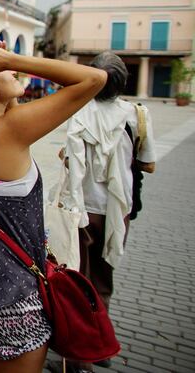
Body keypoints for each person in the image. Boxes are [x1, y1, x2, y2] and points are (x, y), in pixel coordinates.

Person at [0, 41, 106, 372]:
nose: (12, 69)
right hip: (10, 298)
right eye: (4, 71)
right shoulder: (8, 130)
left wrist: (2, 66)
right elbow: (94, 79)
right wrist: (13, 58)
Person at [60, 52, 156, 373]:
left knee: (78, 280)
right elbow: (149, 164)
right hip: (116, 210)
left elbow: (68, 158)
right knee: (103, 279)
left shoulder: (79, 112)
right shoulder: (136, 115)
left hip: (80, 209)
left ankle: (78, 359)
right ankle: (101, 347)